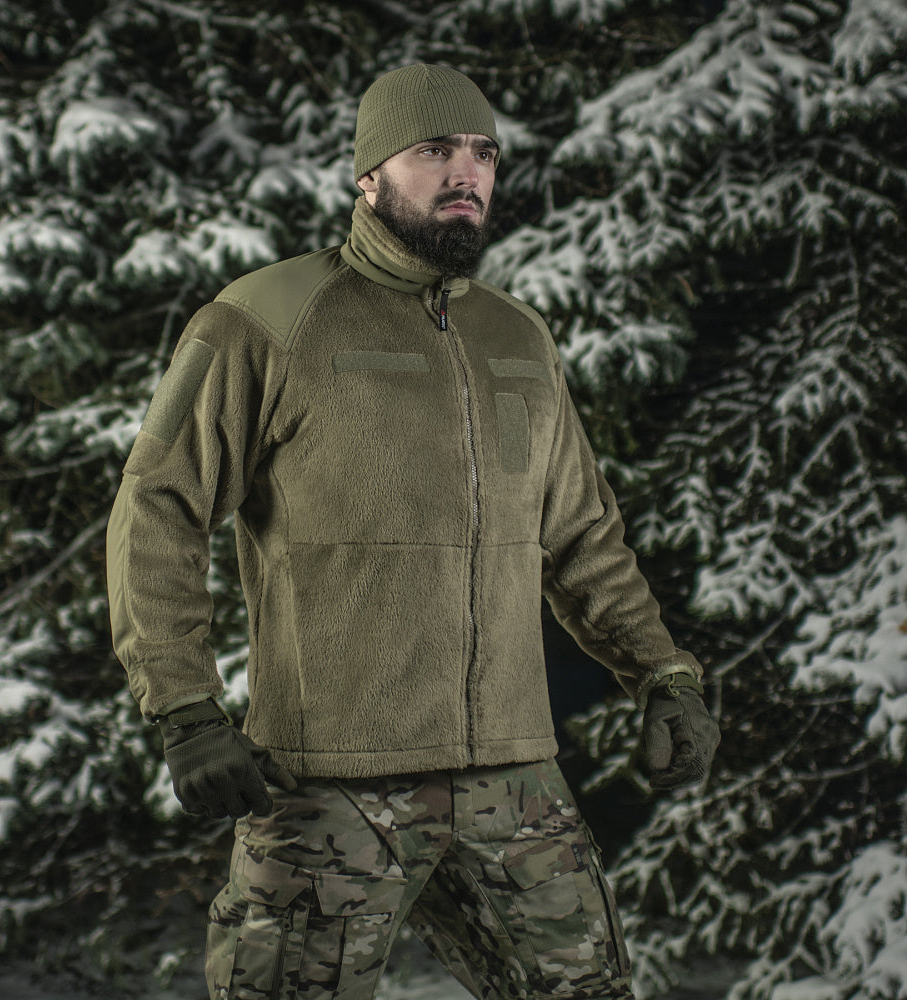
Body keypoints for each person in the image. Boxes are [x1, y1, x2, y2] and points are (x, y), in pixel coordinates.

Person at [106, 63, 720, 1000]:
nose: (466, 172)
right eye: (434, 150)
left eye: (483, 153)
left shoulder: (518, 337)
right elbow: (158, 503)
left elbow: (582, 536)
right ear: (369, 176)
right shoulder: (263, 319)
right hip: (327, 786)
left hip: (512, 778)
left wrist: (663, 675)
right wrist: (184, 708)